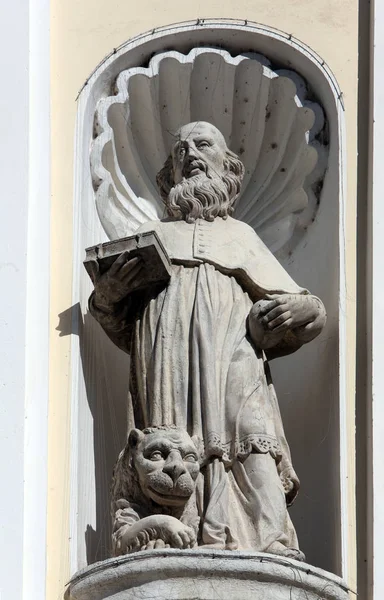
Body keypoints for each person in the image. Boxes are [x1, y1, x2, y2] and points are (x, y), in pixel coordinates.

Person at [89, 121, 326, 559]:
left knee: (251, 434)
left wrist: (306, 308)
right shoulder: (153, 237)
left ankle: (267, 538)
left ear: (227, 164)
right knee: (171, 446)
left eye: (202, 144)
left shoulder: (241, 236)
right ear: (170, 174)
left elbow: (301, 308)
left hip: (234, 352)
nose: (190, 154)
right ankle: (176, 531)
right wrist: (109, 293)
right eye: (180, 150)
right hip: (166, 360)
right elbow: (115, 320)